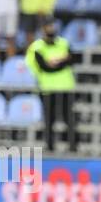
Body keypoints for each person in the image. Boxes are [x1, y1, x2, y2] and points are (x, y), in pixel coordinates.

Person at [26, 20, 78, 153]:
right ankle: (49, 147)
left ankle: (73, 147)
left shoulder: (63, 43)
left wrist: (54, 62)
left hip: (65, 87)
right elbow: (43, 66)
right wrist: (60, 61)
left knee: (69, 119)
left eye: (52, 25)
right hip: (47, 88)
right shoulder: (37, 47)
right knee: (49, 119)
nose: (50, 28)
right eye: (47, 26)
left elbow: (71, 60)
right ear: (43, 28)